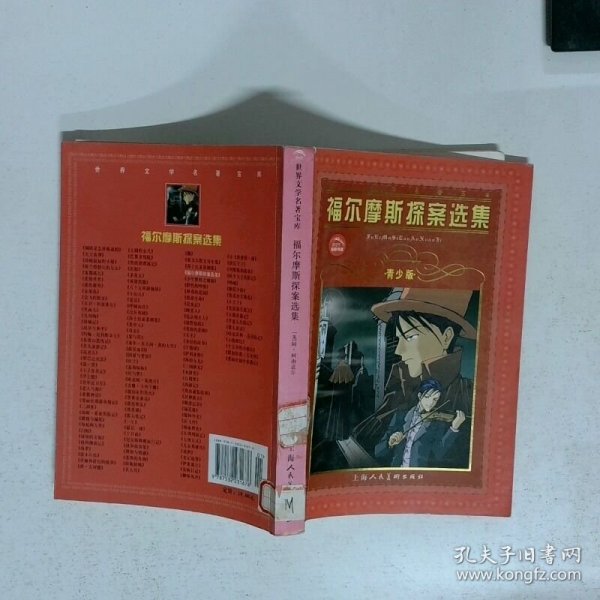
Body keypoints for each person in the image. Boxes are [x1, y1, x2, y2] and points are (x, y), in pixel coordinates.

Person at [348, 288, 476, 469]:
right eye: (400, 338)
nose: (399, 350)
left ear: (446, 337)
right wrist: (390, 442)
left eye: (411, 337)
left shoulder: (468, 396)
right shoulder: (400, 387)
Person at [374, 378, 466, 468]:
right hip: (398, 471)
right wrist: (389, 443)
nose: (431, 402)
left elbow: (439, 453)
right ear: (419, 395)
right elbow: (377, 452)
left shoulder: (436, 423)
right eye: (427, 397)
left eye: (435, 399)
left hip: (420, 474)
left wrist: (453, 429)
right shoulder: (400, 416)